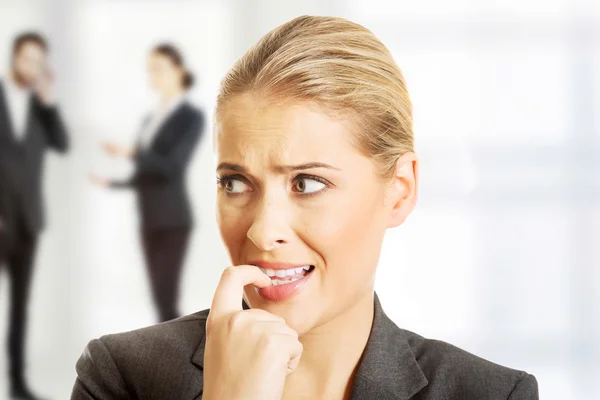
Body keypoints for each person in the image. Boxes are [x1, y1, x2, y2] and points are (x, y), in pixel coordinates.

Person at [72, 16, 538, 400]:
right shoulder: (123, 378)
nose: (262, 230)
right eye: (235, 182)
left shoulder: (490, 395)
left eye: (308, 182)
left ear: (398, 189)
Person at [91, 44, 204, 323]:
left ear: (179, 72)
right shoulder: (149, 119)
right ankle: (162, 360)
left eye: (159, 68)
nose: (152, 75)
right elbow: (146, 173)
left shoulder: (191, 117)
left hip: (172, 219)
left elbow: (172, 167)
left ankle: (180, 363)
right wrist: (113, 184)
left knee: (167, 298)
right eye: (149, 69)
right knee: (157, 299)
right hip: (149, 217)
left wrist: (130, 151)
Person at [0, 32, 69, 400]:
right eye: (28, 59)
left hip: (27, 223)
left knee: (19, 309)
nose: (33, 67)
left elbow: (62, 144)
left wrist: (49, 102)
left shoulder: (41, 108)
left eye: (39, 62)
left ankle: (16, 383)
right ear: (14, 57)